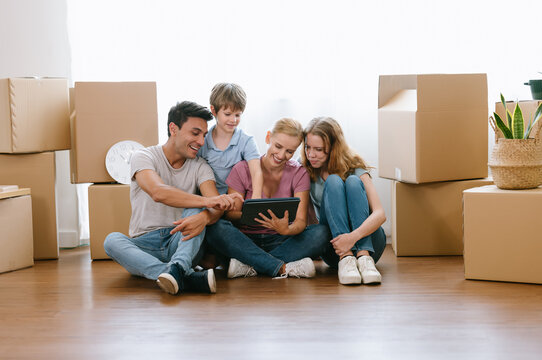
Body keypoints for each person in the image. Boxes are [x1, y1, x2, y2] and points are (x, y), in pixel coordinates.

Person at [104, 101, 241, 295]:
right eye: (195, 133)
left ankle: (177, 268)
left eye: (203, 135)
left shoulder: (200, 166)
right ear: (173, 128)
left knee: (196, 211)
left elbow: (215, 206)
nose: (201, 142)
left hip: (181, 241)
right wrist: (207, 202)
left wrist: (205, 215)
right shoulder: (143, 156)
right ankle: (181, 275)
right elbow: (158, 192)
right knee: (111, 241)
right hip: (144, 245)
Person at [205, 118, 331, 279]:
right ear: (268, 138)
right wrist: (252, 214)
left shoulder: (299, 173)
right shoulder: (242, 169)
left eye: (289, 151)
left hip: (282, 240)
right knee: (216, 228)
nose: (281, 155)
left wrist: (286, 229)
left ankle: (250, 265)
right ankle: (281, 267)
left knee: (321, 232)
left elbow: (300, 221)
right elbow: (231, 215)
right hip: (244, 240)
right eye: (278, 146)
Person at [301, 117, 387, 285]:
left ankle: (364, 258)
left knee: (353, 182)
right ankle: (346, 258)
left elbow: (380, 214)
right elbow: (308, 217)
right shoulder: (305, 169)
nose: (311, 154)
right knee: (333, 181)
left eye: (318, 149)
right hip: (336, 247)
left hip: (369, 245)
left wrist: (353, 237)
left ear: (333, 148)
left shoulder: (355, 166)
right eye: (307, 147)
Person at [198, 83, 263, 199]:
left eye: (238, 115)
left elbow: (256, 172)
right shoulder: (203, 140)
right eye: (227, 114)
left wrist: (256, 199)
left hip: (236, 198)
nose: (233, 120)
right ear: (214, 110)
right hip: (210, 198)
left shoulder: (246, 141)